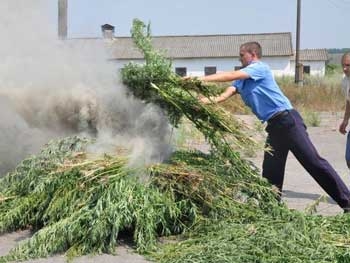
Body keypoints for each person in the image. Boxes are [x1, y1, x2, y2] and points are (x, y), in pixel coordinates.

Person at [191, 41, 350, 211]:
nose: (239, 58)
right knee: (270, 171)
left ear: (253, 54)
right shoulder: (240, 82)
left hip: (288, 121)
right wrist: (199, 103)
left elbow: (229, 75)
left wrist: (198, 78)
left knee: (313, 163)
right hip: (274, 127)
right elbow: (222, 97)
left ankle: (347, 202)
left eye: (242, 55)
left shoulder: (259, 68)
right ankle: (271, 210)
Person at [339, 53, 350, 169]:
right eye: (343, 65)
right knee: (349, 159)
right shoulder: (345, 81)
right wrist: (345, 120)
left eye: (348, 65)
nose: (344, 68)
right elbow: (349, 101)